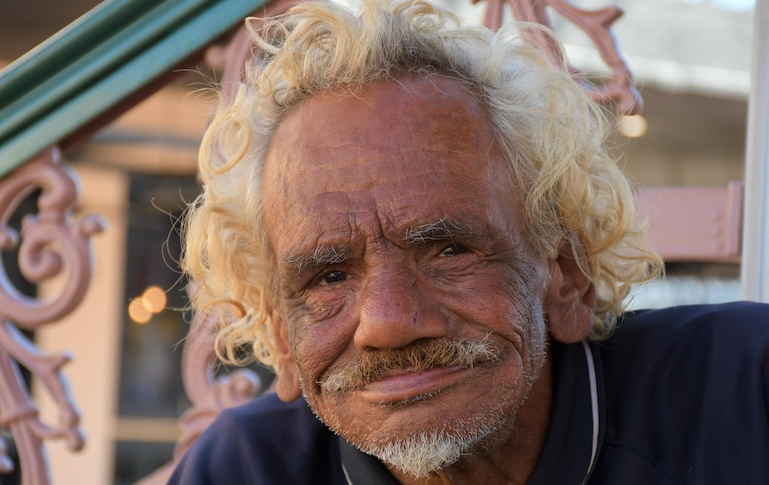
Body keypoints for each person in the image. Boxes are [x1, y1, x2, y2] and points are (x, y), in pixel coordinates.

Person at [169, 0, 769, 483]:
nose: (386, 324)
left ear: (565, 274)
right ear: (279, 328)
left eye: (448, 250)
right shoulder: (241, 469)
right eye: (328, 277)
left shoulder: (744, 394)